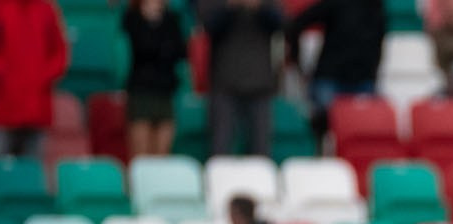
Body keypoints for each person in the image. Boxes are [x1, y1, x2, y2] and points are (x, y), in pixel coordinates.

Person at [0, 0, 70, 159]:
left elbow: (59, 53)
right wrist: (4, 73)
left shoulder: (45, 8)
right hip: (2, 106)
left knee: (32, 174)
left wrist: (41, 76)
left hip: (36, 107)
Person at [197, 0, 284, 156]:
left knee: (261, 151)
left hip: (259, 84)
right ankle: (219, 180)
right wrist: (231, 5)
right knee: (220, 148)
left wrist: (260, 6)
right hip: (224, 83)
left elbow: (281, 22)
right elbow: (208, 25)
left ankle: (259, 181)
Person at [288, 0, 387, 116]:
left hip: (363, 81)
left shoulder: (376, 5)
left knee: (366, 129)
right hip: (330, 80)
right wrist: (297, 62)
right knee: (325, 129)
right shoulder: (336, 2)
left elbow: (378, 41)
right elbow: (296, 25)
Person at [122, 0, 187, 159]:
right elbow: (141, 48)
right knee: (141, 154)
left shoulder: (171, 19)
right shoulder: (132, 18)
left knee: (162, 154)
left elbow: (181, 51)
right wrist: (151, 24)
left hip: (165, 90)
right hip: (141, 90)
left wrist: (159, 24)